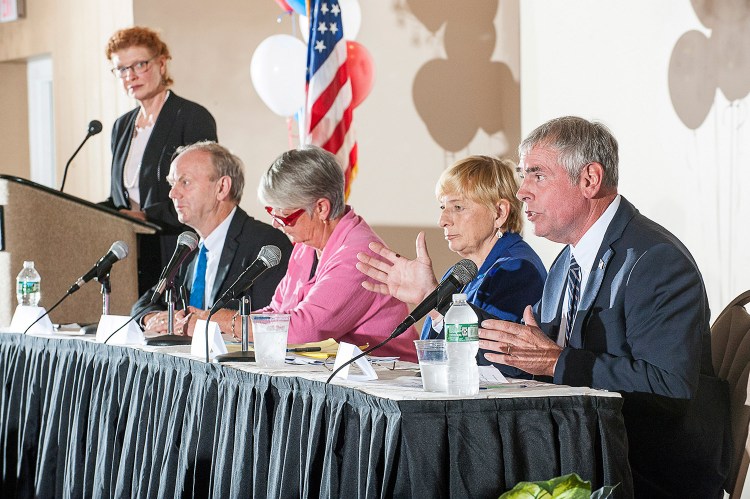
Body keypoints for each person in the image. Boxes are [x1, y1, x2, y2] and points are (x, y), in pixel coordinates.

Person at [358, 116, 730, 497]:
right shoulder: (565, 265)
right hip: (575, 454)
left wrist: (556, 361)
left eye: (537, 175)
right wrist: (434, 302)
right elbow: (530, 355)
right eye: (523, 175)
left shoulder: (654, 260)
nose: (521, 192)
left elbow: (669, 387)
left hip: (639, 473)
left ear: (589, 180)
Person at [190, 145, 418, 360]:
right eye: (271, 212)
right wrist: (215, 320)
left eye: (284, 216)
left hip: (388, 382)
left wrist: (223, 322)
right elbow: (278, 311)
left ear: (321, 208)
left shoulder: (358, 254)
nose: (276, 224)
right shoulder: (305, 247)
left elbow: (306, 329)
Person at [357, 156, 547, 378]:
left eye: (458, 207)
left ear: (499, 213)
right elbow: (433, 356)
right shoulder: (459, 273)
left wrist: (433, 298)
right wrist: (428, 300)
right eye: (442, 207)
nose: (443, 220)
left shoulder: (517, 270)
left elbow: (490, 359)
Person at [102, 26, 218, 295]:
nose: (130, 76)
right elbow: (118, 197)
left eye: (139, 65)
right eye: (121, 69)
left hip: (175, 248)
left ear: (162, 63)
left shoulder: (191, 118)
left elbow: (201, 193)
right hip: (131, 253)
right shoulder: (122, 126)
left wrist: (145, 216)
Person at [132, 141, 291, 334]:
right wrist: (154, 319)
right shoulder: (188, 248)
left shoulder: (266, 245)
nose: (173, 193)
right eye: (172, 184)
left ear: (222, 187)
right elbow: (145, 303)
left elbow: (271, 322)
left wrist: (203, 324)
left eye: (185, 182)